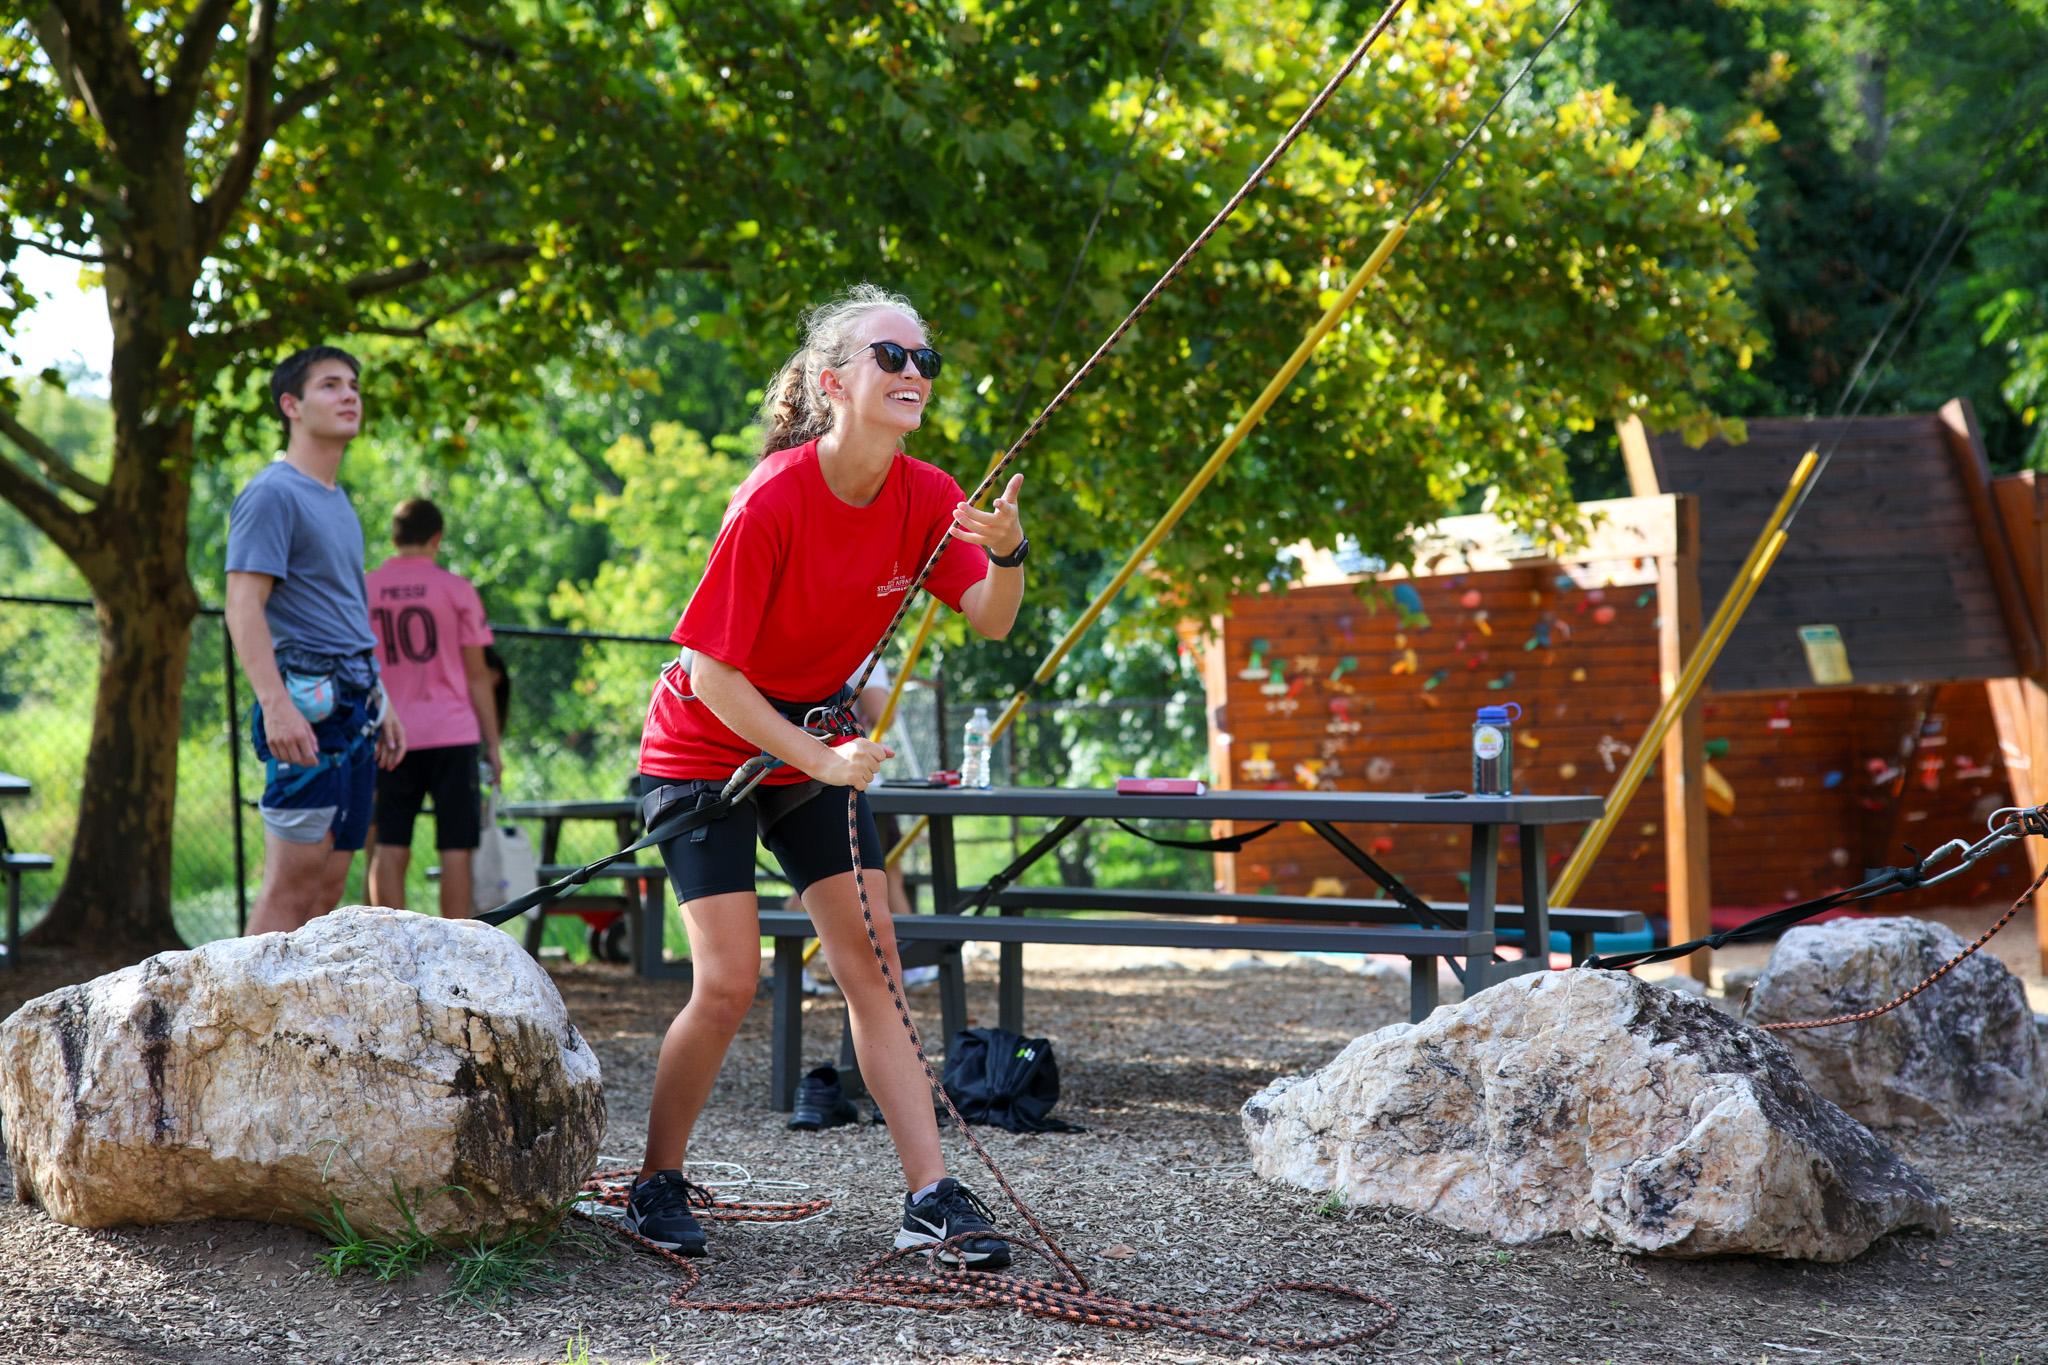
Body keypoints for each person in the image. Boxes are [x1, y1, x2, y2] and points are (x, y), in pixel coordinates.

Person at [627, 285, 1029, 1266]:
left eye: (924, 360)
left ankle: (929, 1196)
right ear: (831, 380)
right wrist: (824, 758)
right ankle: (654, 1182)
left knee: (873, 965)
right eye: (890, 356)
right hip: (704, 747)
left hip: (811, 749)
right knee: (724, 983)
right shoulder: (771, 497)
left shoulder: (929, 495)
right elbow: (713, 673)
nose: (912, 375)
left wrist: (1010, 551)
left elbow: (991, 616)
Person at [225, 346, 406, 936]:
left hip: (356, 706)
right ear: (291, 406)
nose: (349, 394)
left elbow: (344, 610)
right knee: (291, 888)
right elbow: (242, 606)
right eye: (330, 385)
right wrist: (277, 706)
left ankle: (290, 1029)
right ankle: (241, 1027)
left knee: (327, 890)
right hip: (306, 706)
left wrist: (382, 699)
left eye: (353, 384)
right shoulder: (272, 493)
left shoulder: (335, 497)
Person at [364, 498, 502, 918]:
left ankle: (387, 946)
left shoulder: (365, 588)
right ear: (436, 538)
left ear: (395, 537)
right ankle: (456, 953)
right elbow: (479, 675)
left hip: (389, 732)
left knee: (389, 841)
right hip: (452, 732)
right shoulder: (456, 590)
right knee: (456, 847)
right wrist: (492, 745)